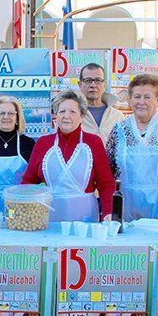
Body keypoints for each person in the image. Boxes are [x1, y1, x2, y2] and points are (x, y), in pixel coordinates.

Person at [106, 74, 158, 227]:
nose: (141, 102)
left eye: (147, 97)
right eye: (137, 96)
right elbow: (108, 170)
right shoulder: (119, 129)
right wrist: (109, 210)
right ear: (130, 100)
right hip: (126, 207)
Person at [21, 89, 115, 222]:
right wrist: (24, 210)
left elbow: (106, 184)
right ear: (56, 116)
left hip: (85, 220)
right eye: (62, 111)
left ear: (82, 116)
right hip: (50, 218)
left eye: (72, 112)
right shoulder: (43, 143)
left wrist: (108, 213)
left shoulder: (94, 142)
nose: (66, 116)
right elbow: (28, 181)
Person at [78, 62, 124, 146]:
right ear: (80, 84)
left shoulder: (117, 116)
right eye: (88, 80)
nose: (93, 85)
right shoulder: (73, 114)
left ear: (104, 85)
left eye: (98, 80)